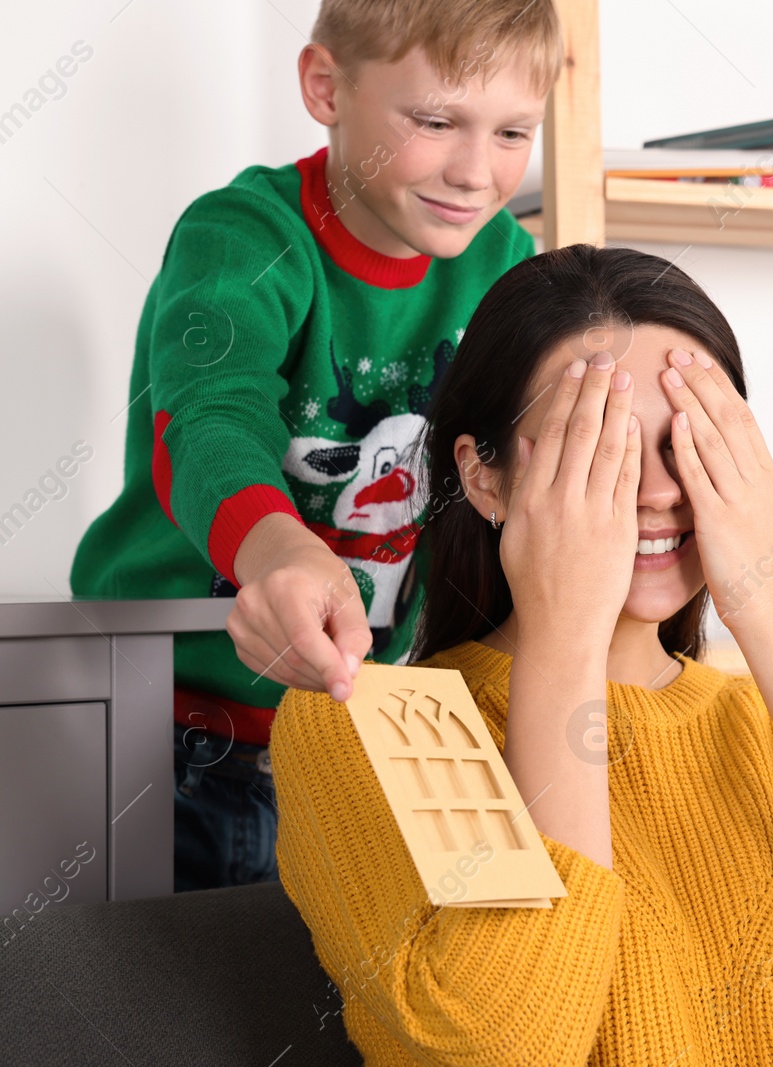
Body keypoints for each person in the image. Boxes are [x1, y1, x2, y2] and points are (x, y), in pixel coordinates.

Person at [269, 244, 773, 1064]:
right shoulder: (376, 725)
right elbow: (497, 1047)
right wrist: (565, 635)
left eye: (692, 442)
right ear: (483, 478)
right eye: (598, 446)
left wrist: (772, 609)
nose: (658, 488)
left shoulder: (770, 718)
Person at [68, 0, 561, 891]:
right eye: (436, 120)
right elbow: (210, 419)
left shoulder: (506, 266)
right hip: (169, 727)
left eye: (513, 132)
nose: (474, 171)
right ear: (326, 87)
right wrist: (284, 552)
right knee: (156, 1009)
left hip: (358, 728)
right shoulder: (245, 237)